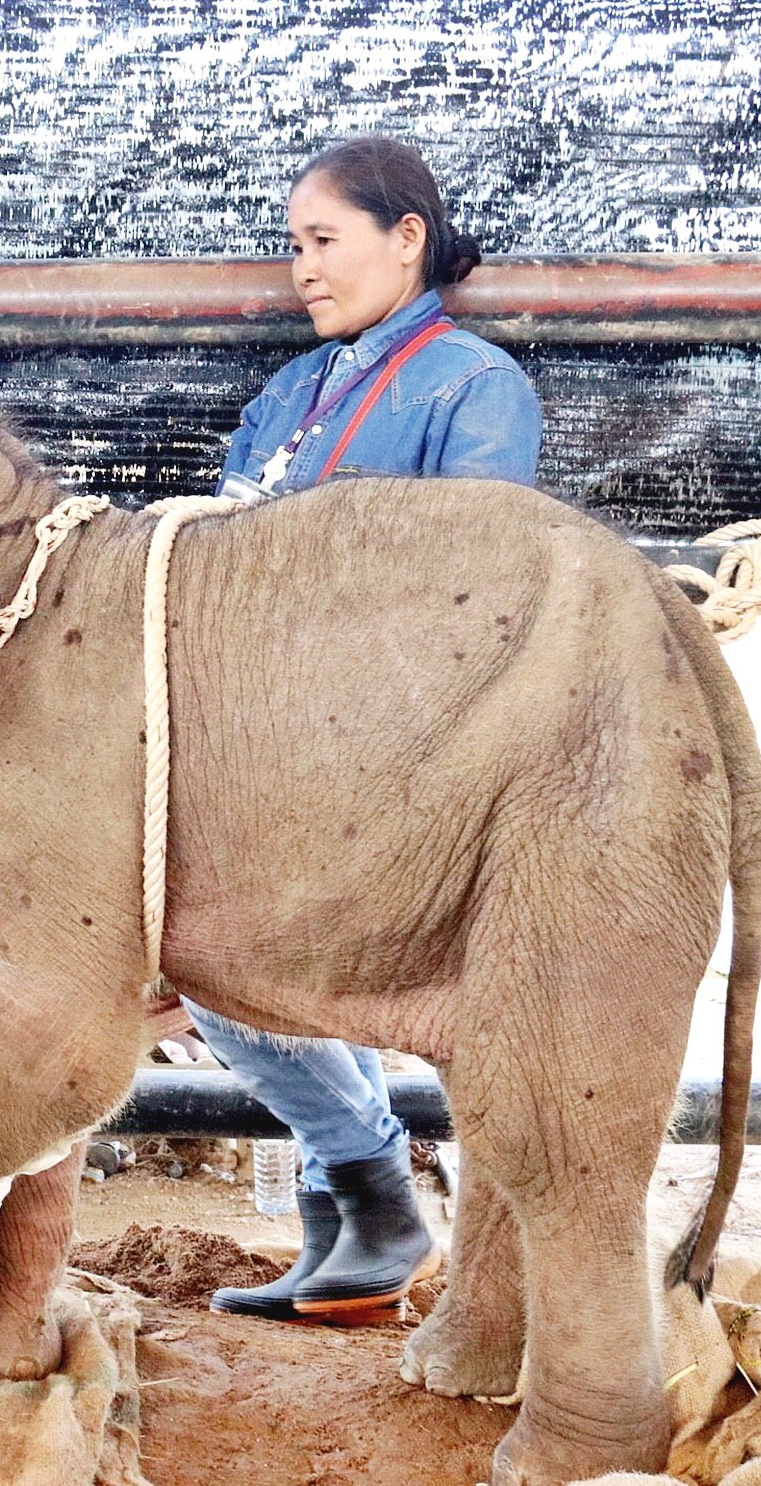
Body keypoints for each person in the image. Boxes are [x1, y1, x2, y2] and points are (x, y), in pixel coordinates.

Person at [194, 136, 543, 1321]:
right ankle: (360, 1205)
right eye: (293, 244)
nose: (301, 268)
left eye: (322, 240)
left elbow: (480, 597)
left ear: (408, 239)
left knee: (220, 956)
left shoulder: (474, 385)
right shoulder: (290, 394)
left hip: (394, 752)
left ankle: (372, 1195)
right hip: (258, 739)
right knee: (199, 956)